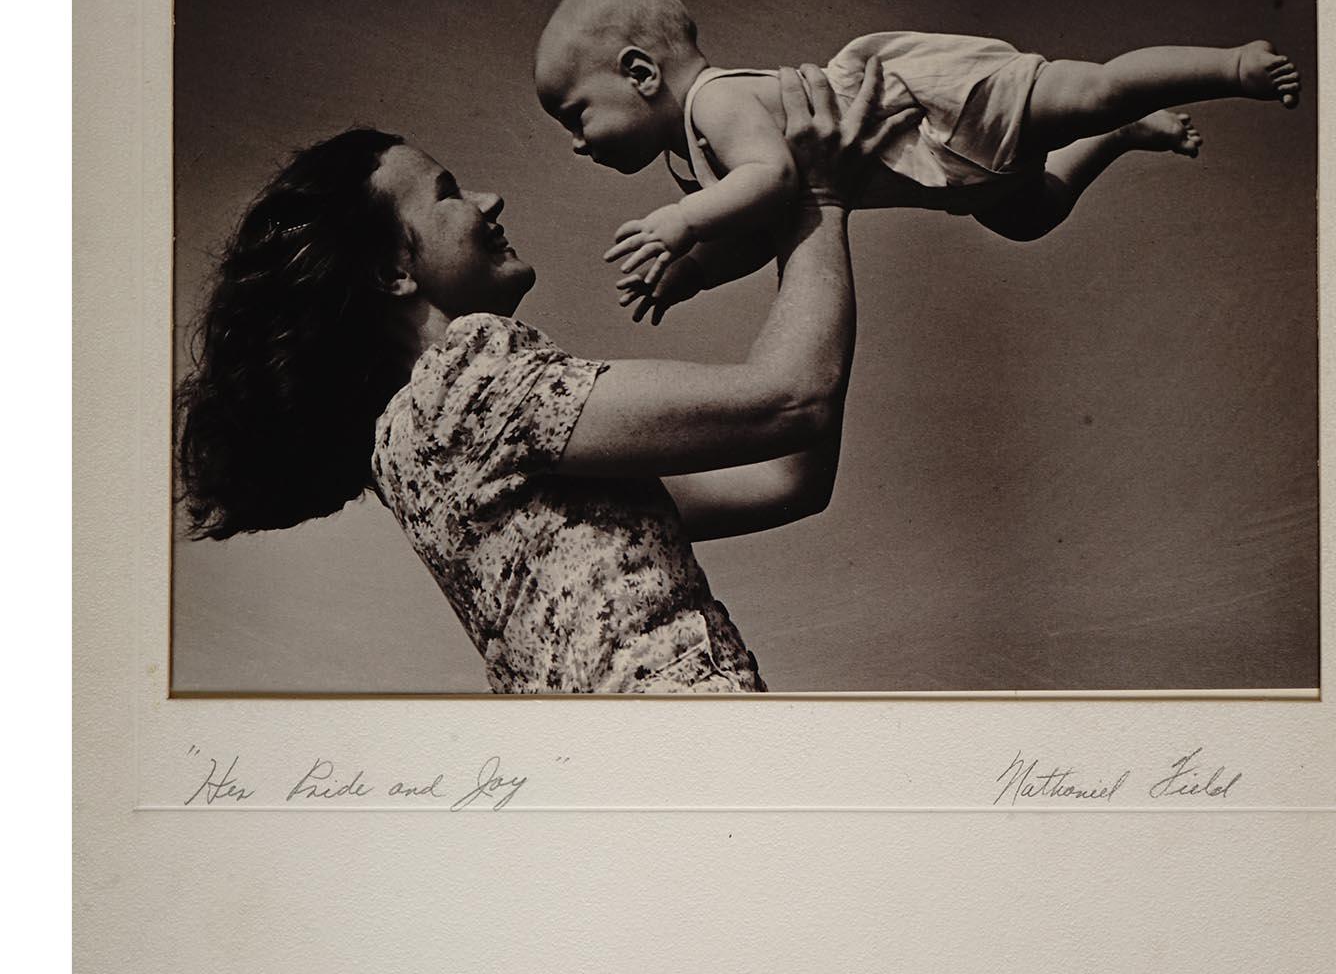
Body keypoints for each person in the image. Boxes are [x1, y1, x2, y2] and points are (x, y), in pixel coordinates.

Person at [176, 64, 912, 694]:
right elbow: (793, 401)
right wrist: (816, 199)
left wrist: (794, 230)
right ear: (391, 271)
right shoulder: (467, 380)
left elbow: (788, 476)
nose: (489, 200)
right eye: (449, 192)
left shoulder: (417, 451)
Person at [533, 0, 1301, 319]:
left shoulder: (717, 102)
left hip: (933, 107)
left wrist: (683, 226)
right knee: (1034, 216)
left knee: (1090, 88)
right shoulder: (699, 157)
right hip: (947, 171)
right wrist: (696, 273)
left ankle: (1231, 65)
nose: (576, 143)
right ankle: (1124, 137)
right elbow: (760, 230)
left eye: (575, 115)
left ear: (639, 74)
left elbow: (768, 182)